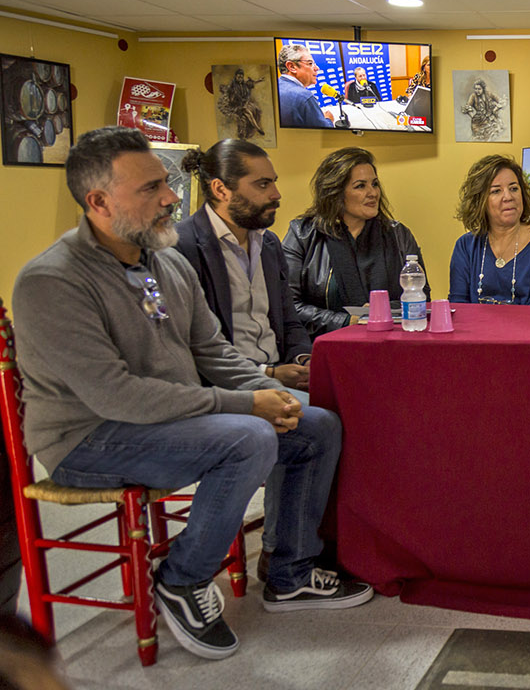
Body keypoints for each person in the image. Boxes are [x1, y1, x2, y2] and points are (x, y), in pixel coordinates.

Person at [11, 127, 371, 662]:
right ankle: (181, 579)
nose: (171, 197)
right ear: (99, 202)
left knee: (315, 424)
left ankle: (289, 573)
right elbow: (118, 397)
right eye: (151, 188)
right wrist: (248, 405)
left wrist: (273, 392)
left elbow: (213, 352)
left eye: (167, 183)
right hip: (88, 439)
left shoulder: (165, 262)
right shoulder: (52, 281)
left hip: (164, 421)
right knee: (247, 438)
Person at [176, 139, 311, 391]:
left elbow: (289, 321)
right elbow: (193, 345)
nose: (276, 194)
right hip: (227, 385)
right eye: (263, 184)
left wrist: (304, 359)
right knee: (328, 420)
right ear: (221, 190)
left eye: (274, 181)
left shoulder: (268, 243)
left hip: (280, 371)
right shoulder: (182, 247)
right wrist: (270, 373)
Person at [283, 147, 423, 337]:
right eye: (360, 186)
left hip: (390, 342)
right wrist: (347, 321)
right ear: (335, 192)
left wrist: (381, 311)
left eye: (375, 184)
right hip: (324, 345)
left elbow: (421, 298)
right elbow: (288, 306)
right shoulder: (303, 234)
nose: (372, 193)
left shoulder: (398, 234)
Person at [450, 154, 530, 305]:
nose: (508, 197)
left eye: (514, 188)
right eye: (496, 191)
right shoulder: (465, 246)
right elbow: (458, 307)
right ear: (480, 201)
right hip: (474, 329)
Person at [276, 43, 334, 129]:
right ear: (291, 67)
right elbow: (326, 133)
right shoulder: (304, 97)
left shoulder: (274, 88)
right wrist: (329, 120)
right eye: (310, 63)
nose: (317, 68)